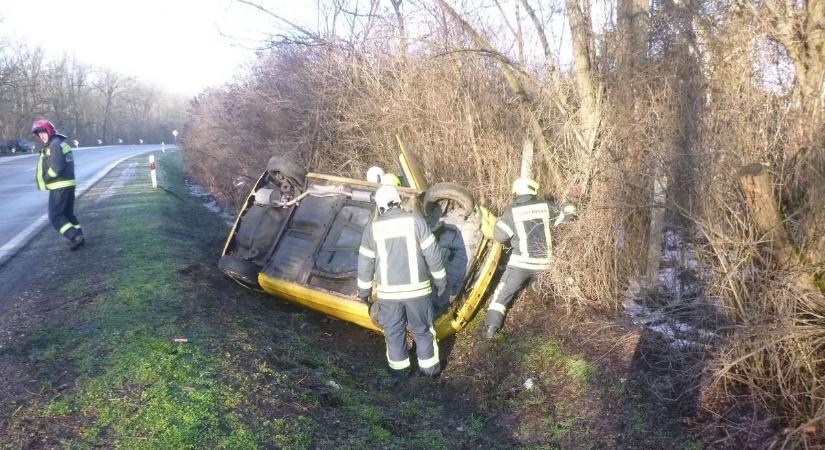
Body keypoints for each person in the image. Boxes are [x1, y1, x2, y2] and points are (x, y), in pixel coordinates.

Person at [357, 185, 447, 377]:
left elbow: (365, 264)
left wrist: (364, 294)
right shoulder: (416, 221)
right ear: (398, 201)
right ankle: (430, 370)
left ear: (380, 206)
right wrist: (440, 282)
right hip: (418, 292)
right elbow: (433, 255)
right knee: (422, 330)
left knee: (394, 332)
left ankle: (399, 372)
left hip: (389, 296)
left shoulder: (372, 229)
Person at [482, 178, 576, 339]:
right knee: (540, 285)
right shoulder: (547, 206)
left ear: (517, 192)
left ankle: (491, 329)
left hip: (520, 265)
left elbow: (499, 236)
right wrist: (570, 208)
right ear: (533, 191)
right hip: (545, 265)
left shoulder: (512, 211)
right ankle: (544, 294)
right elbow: (567, 218)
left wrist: (499, 224)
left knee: (502, 294)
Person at [32, 119, 84, 250]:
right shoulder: (60, 143)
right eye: (39, 134)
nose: (41, 136)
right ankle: (79, 236)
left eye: (43, 132)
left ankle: (74, 236)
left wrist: (46, 178)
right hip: (67, 184)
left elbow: (57, 167)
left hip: (59, 186)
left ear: (49, 131)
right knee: (68, 214)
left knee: (55, 216)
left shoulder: (54, 145)